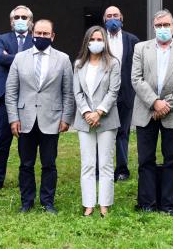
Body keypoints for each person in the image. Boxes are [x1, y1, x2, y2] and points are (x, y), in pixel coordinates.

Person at [5, 18, 74, 214]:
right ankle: (26, 202)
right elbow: (11, 91)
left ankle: (47, 202)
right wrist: (13, 118)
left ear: (52, 36)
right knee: (25, 164)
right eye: (38, 33)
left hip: (51, 119)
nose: (41, 37)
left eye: (45, 34)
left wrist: (66, 118)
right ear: (32, 34)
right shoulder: (20, 58)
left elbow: (68, 92)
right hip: (25, 119)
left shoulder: (63, 59)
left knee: (49, 164)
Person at [131, 9, 173, 217]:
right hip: (146, 110)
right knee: (145, 159)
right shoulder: (141, 48)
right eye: (158, 26)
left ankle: (168, 204)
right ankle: (147, 202)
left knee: (172, 160)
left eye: (166, 25)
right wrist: (154, 102)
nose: (162, 29)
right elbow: (136, 79)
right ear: (153, 27)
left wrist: (166, 104)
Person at [72, 26, 121, 217]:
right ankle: (89, 203)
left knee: (106, 163)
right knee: (88, 163)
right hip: (85, 120)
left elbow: (113, 91)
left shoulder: (113, 64)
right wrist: (87, 113)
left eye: (100, 39)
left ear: (105, 42)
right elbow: (77, 92)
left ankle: (104, 204)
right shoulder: (78, 64)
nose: (96, 42)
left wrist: (99, 112)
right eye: (92, 39)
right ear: (87, 41)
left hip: (106, 119)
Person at [0, 5, 34, 192]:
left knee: (25, 141)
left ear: (30, 21)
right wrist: (26, 57)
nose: (20, 20)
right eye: (17, 17)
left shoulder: (37, 39)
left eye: (24, 17)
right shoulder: (3, 38)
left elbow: (38, 61)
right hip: (5, 95)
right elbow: (0, 58)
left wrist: (13, 57)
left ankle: (24, 178)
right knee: (3, 140)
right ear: (11, 21)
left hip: (28, 95)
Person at [103, 5, 140, 182]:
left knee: (122, 131)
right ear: (104, 20)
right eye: (109, 16)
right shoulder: (98, 39)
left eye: (115, 15)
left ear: (122, 18)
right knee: (102, 131)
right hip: (103, 93)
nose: (112, 19)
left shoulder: (132, 40)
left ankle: (122, 169)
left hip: (126, 93)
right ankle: (101, 168)